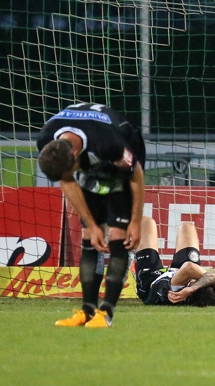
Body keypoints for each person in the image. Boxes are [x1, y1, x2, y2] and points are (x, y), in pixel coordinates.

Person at [37, 102, 146, 328]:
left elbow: (136, 176)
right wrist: (92, 224)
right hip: (92, 166)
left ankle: (106, 314)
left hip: (122, 166)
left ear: (76, 154)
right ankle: (87, 312)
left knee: (118, 237)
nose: (68, 176)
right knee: (90, 237)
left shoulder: (109, 143)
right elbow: (67, 180)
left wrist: (135, 222)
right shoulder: (46, 140)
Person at [133, 216, 215, 306]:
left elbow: (189, 267)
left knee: (145, 222)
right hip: (180, 272)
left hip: (152, 279)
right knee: (188, 226)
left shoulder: (174, 292)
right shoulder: (211, 294)